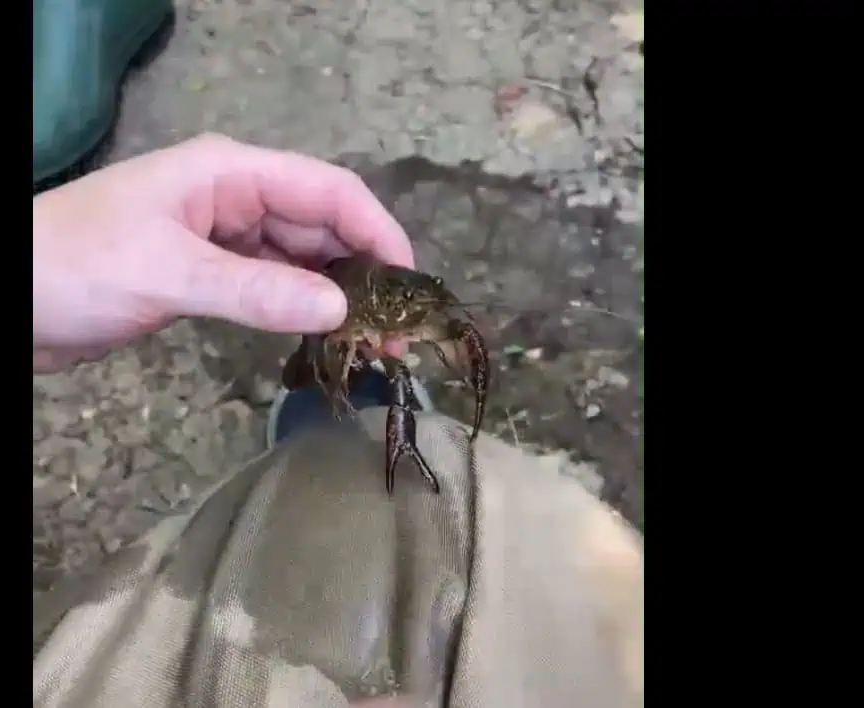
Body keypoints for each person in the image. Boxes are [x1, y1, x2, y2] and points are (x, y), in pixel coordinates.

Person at [33, 134, 644, 707]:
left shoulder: (411, 307)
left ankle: (326, 445)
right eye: (402, 305)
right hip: (341, 328)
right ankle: (344, 420)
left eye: (417, 303)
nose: (416, 311)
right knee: (402, 419)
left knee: (397, 390)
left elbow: (442, 323)